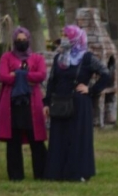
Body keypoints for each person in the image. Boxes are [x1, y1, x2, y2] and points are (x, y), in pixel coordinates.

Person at [43, 25, 111, 181]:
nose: (65, 39)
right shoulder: (59, 58)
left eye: (67, 36)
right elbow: (52, 81)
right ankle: (57, 173)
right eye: (63, 35)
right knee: (59, 137)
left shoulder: (87, 58)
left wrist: (91, 90)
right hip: (60, 102)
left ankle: (78, 173)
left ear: (76, 38)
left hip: (79, 103)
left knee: (77, 137)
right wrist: (46, 102)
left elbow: (106, 74)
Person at [0, 26, 47, 180]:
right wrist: (27, 77)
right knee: (13, 141)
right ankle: (16, 176)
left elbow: (42, 75)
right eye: (19, 40)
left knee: (36, 140)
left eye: (24, 40)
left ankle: (42, 173)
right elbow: (3, 76)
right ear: (14, 41)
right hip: (12, 105)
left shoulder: (37, 58)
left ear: (29, 40)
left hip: (32, 104)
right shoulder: (6, 57)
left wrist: (17, 75)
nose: (22, 42)